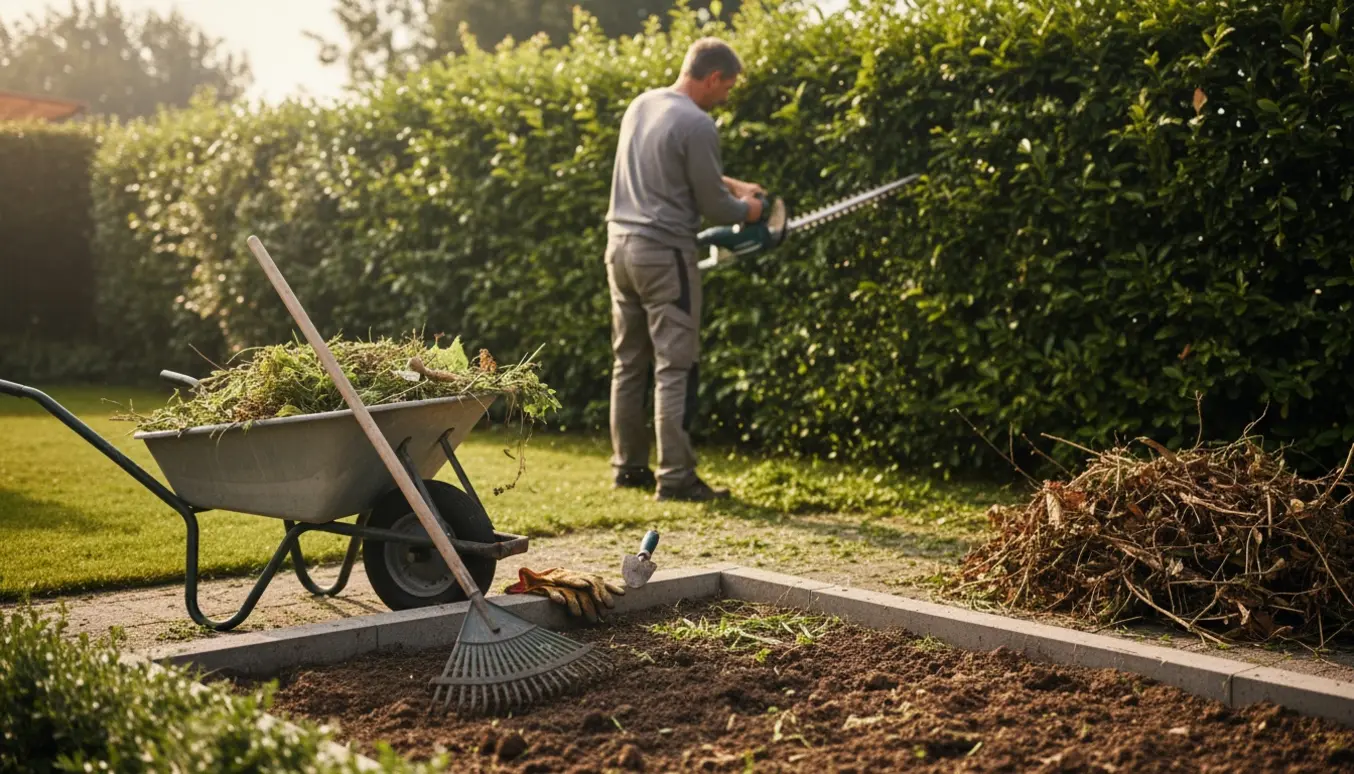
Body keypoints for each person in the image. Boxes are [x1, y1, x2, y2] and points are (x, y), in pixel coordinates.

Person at [604, 37, 765, 502]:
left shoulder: (643, 104)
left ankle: (627, 468)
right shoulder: (698, 123)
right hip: (664, 255)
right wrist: (749, 210)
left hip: (619, 248)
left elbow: (676, 170)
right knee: (674, 366)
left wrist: (735, 185)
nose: (727, 96)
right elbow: (714, 204)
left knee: (628, 362)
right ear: (713, 77)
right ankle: (675, 476)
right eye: (727, 87)